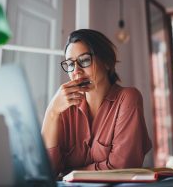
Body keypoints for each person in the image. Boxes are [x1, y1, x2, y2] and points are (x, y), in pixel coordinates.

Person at [41, 29, 152, 177]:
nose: (76, 72)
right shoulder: (63, 109)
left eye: (85, 60)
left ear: (107, 62)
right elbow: (45, 172)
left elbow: (121, 168)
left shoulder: (128, 98)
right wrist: (52, 112)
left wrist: (69, 172)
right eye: (70, 64)